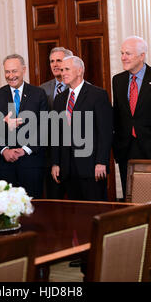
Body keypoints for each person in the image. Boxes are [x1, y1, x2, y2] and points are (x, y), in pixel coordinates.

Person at [112, 36, 151, 200]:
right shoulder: (118, 80)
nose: (123, 57)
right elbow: (117, 114)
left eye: (128, 53)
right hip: (126, 149)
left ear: (142, 55)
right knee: (130, 197)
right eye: (122, 53)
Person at [51, 56, 113, 201]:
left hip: (92, 168)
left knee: (95, 211)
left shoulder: (97, 95)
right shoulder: (60, 99)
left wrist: (101, 162)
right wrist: (56, 163)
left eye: (67, 69)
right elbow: (56, 134)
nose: (63, 73)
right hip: (67, 169)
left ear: (79, 71)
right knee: (76, 215)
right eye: (61, 70)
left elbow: (105, 132)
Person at [0, 54, 48, 198]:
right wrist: (4, 150)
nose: (11, 76)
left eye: (14, 71)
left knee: (34, 210)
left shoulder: (38, 94)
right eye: (7, 72)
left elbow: (45, 127)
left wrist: (25, 150)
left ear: (24, 70)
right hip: (4, 166)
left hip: (31, 164)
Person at [40, 47, 73, 199]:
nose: (54, 64)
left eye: (58, 60)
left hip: (74, 153)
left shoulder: (79, 88)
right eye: (52, 61)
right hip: (50, 156)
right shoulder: (42, 90)